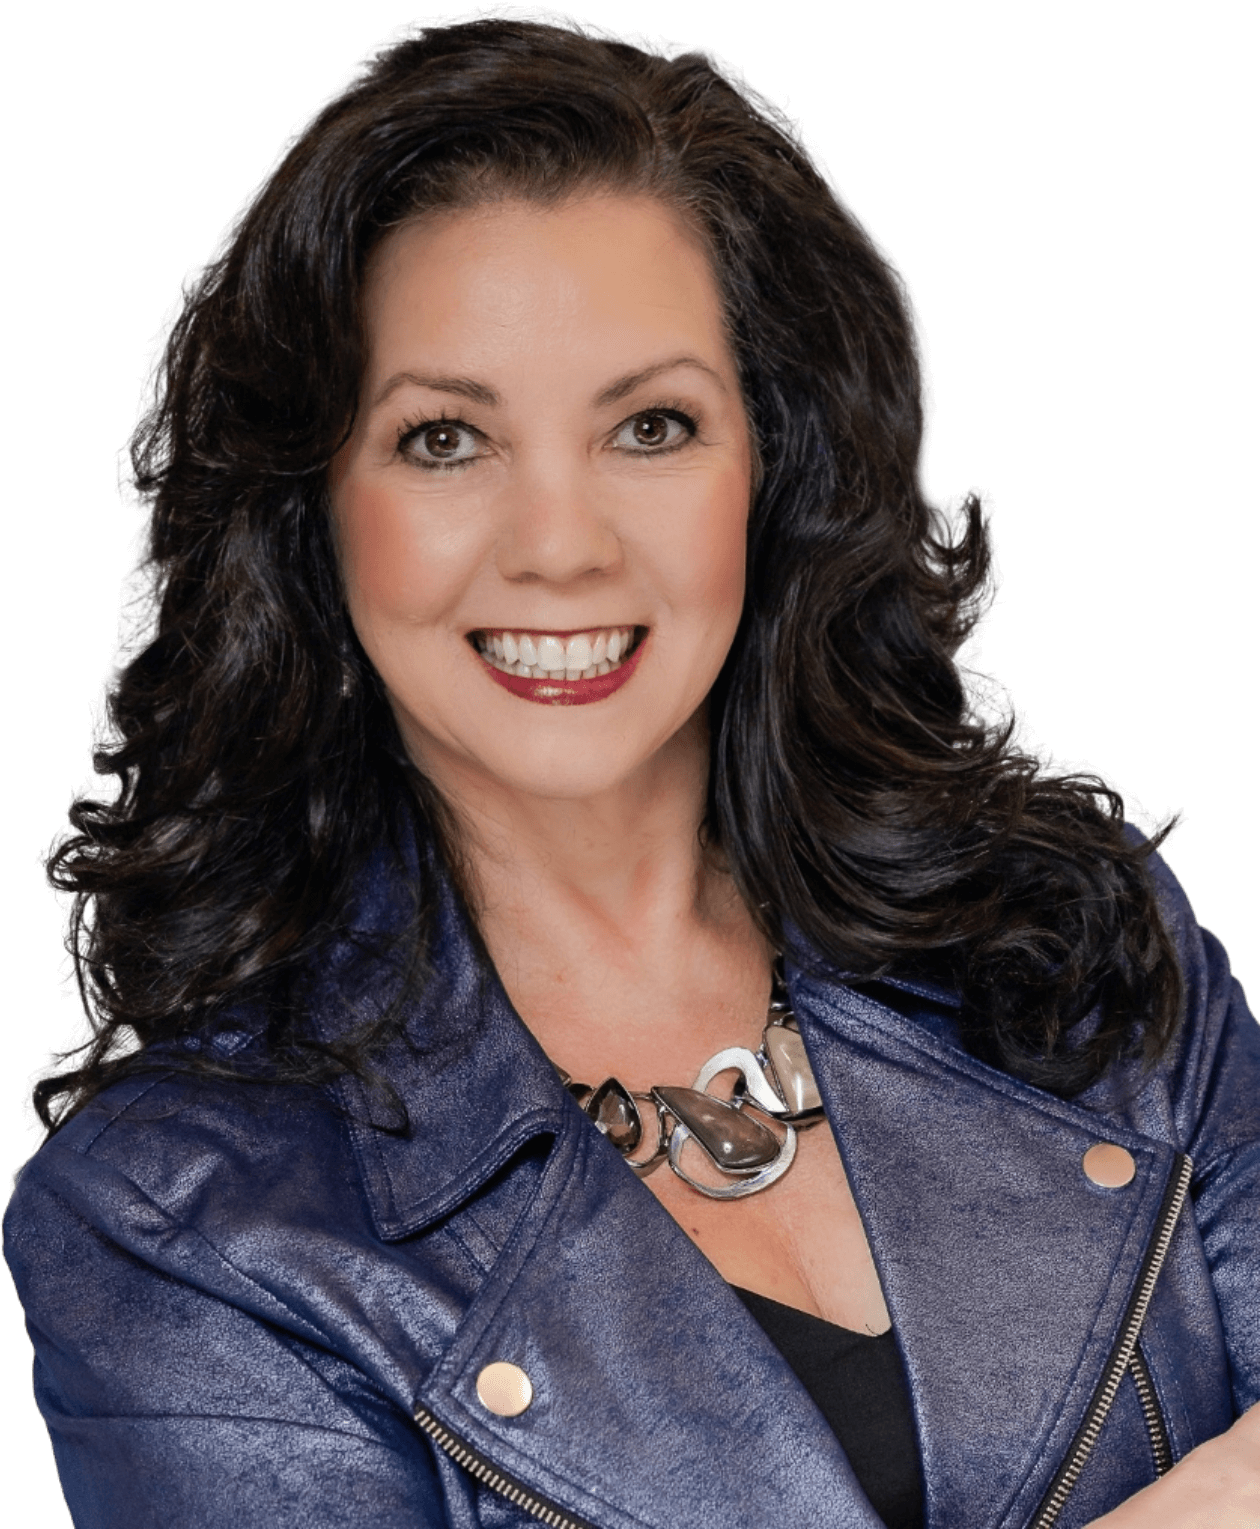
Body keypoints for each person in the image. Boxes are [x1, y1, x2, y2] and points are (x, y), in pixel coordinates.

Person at [5, 15, 1257, 1528]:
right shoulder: (171, 1230)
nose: (562, 545)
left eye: (651, 427)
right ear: (314, 511)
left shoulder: (1083, 944)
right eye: (446, 439)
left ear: (770, 469)